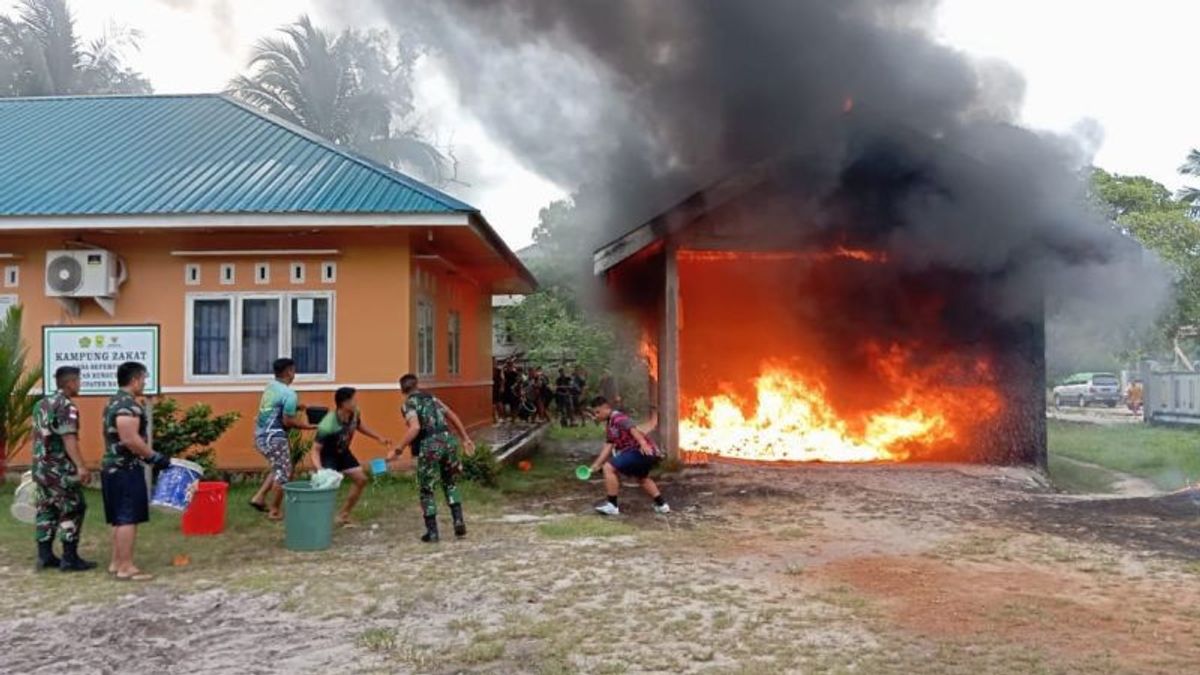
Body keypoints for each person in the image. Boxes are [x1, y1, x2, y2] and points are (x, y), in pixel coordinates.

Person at [101, 361, 171, 581]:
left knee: (119, 518)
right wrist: (154, 457)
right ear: (135, 379)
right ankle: (126, 567)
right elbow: (130, 439)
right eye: (143, 379)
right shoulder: (127, 406)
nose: (144, 383)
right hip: (124, 468)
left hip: (113, 467)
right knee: (127, 517)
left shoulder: (113, 401)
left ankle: (116, 562)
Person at [389, 373, 476, 543]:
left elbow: (414, 428)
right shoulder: (432, 398)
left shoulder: (409, 404)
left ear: (402, 389)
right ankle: (458, 521)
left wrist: (397, 450)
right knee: (450, 482)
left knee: (426, 488)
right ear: (417, 385)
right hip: (448, 440)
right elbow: (452, 415)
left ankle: (433, 532)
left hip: (429, 445)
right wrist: (465, 438)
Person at [32, 366, 95, 572]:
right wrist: (81, 467)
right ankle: (69, 558)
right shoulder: (67, 407)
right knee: (73, 507)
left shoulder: (41, 404)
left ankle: (45, 556)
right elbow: (69, 439)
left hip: (40, 467)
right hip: (59, 469)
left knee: (46, 508)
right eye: (78, 381)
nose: (79, 385)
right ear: (70, 383)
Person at [309, 387, 391, 526]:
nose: (356, 402)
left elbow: (358, 425)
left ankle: (343, 515)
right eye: (353, 399)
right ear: (344, 403)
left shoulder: (355, 413)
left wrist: (378, 437)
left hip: (343, 452)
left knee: (361, 479)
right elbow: (315, 450)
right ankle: (315, 519)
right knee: (326, 489)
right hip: (327, 456)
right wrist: (320, 469)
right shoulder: (328, 424)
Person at [249, 358, 314, 520]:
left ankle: (259, 498)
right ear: (289, 372)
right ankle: (274, 511)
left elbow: (273, 407)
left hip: (261, 436)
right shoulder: (289, 393)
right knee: (285, 473)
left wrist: (298, 407)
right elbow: (288, 421)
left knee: (278, 467)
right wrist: (308, 426)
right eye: (294, 370)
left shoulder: (270, 388)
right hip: (274, 438)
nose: (294, 374)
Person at [587, 396, 670, 516]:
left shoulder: (617, 417)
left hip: (639, 451)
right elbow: (608, 446)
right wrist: (596, 464)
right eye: (594, 413)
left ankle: (612, 505)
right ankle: (662, 505)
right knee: (642, 478)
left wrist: (643, 443)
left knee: (608, 468)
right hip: (641, 453)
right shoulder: (610, 425)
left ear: (606, 408)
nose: (596, 415)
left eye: (597, 412)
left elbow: (632, 428)